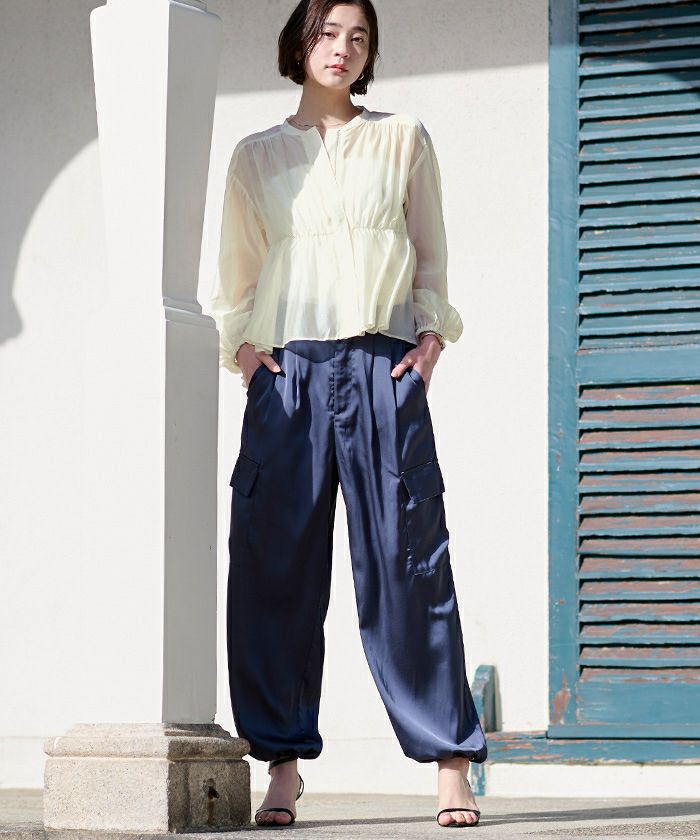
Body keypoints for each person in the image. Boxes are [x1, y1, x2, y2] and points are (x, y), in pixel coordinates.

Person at [210, 0, 487, 828]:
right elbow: (237, 278)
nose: (344, 48)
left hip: (380, 366)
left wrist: (429, 342)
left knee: (411, 562)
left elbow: (430, 253)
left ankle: (450, 763)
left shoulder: (403, 139)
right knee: (274, 573)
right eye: (328, 33)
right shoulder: (255, 156)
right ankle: (283, 766)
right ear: (299, 42)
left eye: (359, 37)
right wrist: (247, 356)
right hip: (289, 373)